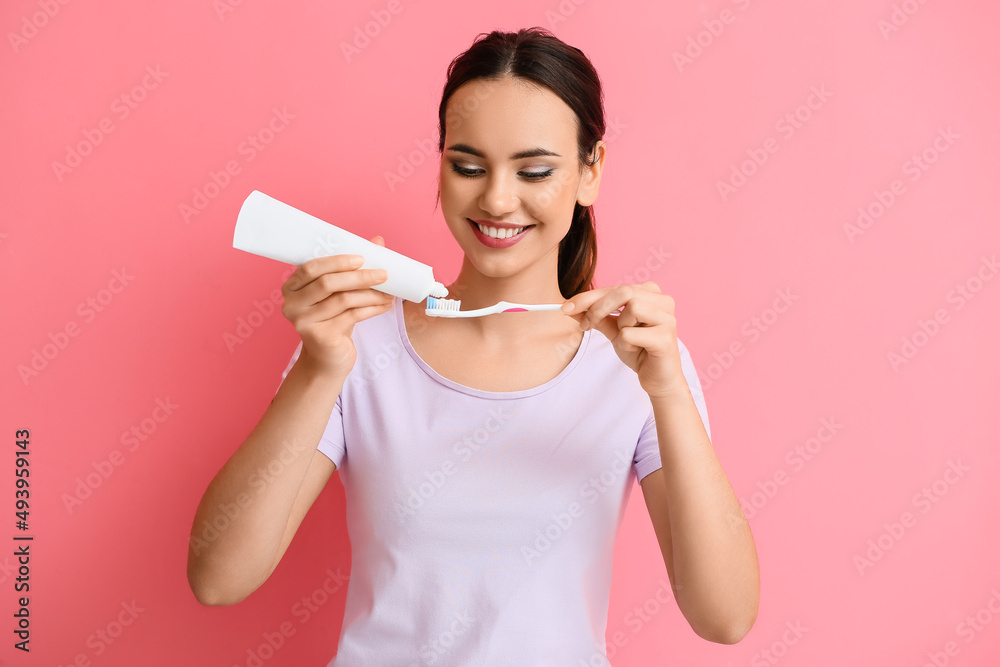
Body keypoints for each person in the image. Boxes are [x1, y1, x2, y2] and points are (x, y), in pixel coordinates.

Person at [187, 26, 759, 665]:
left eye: (535, 170)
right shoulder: (354, 344)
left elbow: (726, 617)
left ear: (590, 170)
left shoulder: (638, 363)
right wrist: (320, 369)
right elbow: (219, 578)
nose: (495, 199)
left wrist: (670, 394)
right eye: (467, 165)